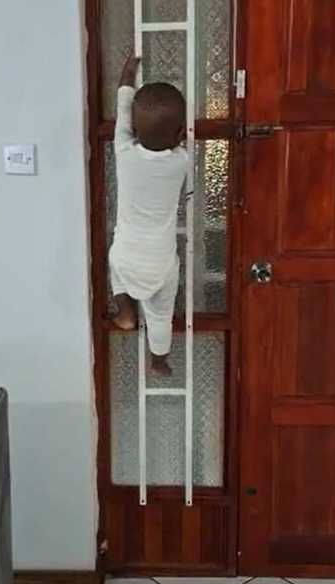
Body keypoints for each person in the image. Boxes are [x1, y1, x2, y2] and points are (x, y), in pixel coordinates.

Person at [108, 55, 190, 375]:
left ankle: (125, 311)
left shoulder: (123, 151)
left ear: (134, 128)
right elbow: (178, 146)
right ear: (180, 133)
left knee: (117, 264)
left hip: (127, 254)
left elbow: (122, 110)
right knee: (160, 313)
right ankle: (159, 358)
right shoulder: (181, 161)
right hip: (161, 261)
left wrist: (128, 72)